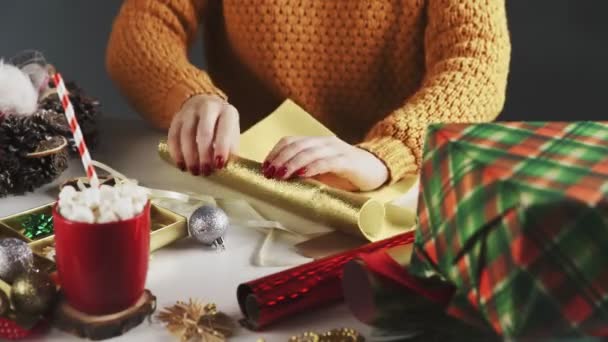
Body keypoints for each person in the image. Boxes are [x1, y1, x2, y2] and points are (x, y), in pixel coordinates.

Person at [106, 0, 511, 191]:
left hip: (387, 189)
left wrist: (388, 152)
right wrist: (190, 96)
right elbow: (145, 24)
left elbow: (475, 60)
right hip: (249, 176)